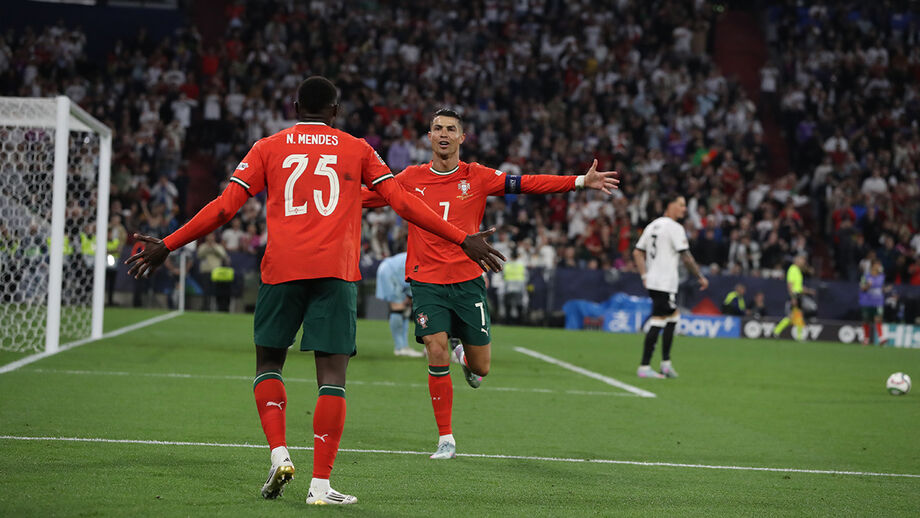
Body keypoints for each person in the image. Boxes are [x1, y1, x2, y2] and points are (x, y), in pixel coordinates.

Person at [125, 77, 505, 506]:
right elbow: (402, 202)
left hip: (280, 271)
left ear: (294, 106)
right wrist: (461, 237)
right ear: (336, 111)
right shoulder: (358, 148)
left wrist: (168, 244)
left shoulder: (266, 147)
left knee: (269, 363)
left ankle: (279, 452)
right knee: (332, 378)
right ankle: (321, 486)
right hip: (334, 274)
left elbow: (225, 207)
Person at [362, 108, 618, 459]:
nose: (444, 134)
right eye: (437, 128)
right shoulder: (409, 177)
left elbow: (526, 183)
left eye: (451, 129)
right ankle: (446, 438)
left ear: (462, 137)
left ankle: (463, 355)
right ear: (429, 137)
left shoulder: (478, 176)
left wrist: (578, 181)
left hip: (468, 280)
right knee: (433, 348)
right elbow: (371, 196)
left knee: (481, 367)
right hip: (425, 279)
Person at [632, 194, 708, 379]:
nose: (684, 209)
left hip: (656, 282)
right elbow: (686, 257)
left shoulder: (652, 225)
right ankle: (644, 367)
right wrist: (699, 276)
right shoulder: (675, 228)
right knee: (659, 320)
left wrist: (644, 275)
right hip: (664, 283)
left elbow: (637, 252)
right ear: (670, 205)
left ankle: (665, 364)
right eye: (681, 205)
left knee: (672, 318)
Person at [375, 251, 425, 357]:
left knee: (404, 309)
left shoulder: (416, 255)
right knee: (398, 307)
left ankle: (403, 345)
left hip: (389, 271)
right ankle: (400, 347)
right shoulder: (419, 259)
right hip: (390, 272)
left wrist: (409, 298)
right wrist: (410, 297)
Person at [773, 254, 813, 341]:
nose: (803, 262)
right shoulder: (792, 269)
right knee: (792, 316)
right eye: (802, 260)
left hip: (798, 296)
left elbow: (798, 287)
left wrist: (809, 291)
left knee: (797, 316)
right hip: (794, 296)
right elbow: (790, 285)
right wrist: (793, 298)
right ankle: (776, 331)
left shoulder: (798, 270)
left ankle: (798, 336)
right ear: (797, 260)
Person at [859, 259, 886, 345]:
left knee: (878, 319)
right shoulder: (866, 276)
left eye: (879, 265)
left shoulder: (882, 276)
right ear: (873, 266)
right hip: (867, 302)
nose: (879, 266)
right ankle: (866, 339)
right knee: (866, 320)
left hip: (878, 302)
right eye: (877, 264)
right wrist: (868, 285)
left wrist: (885, 289)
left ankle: (881, 338)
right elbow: (862, 288)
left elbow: (882, 288)